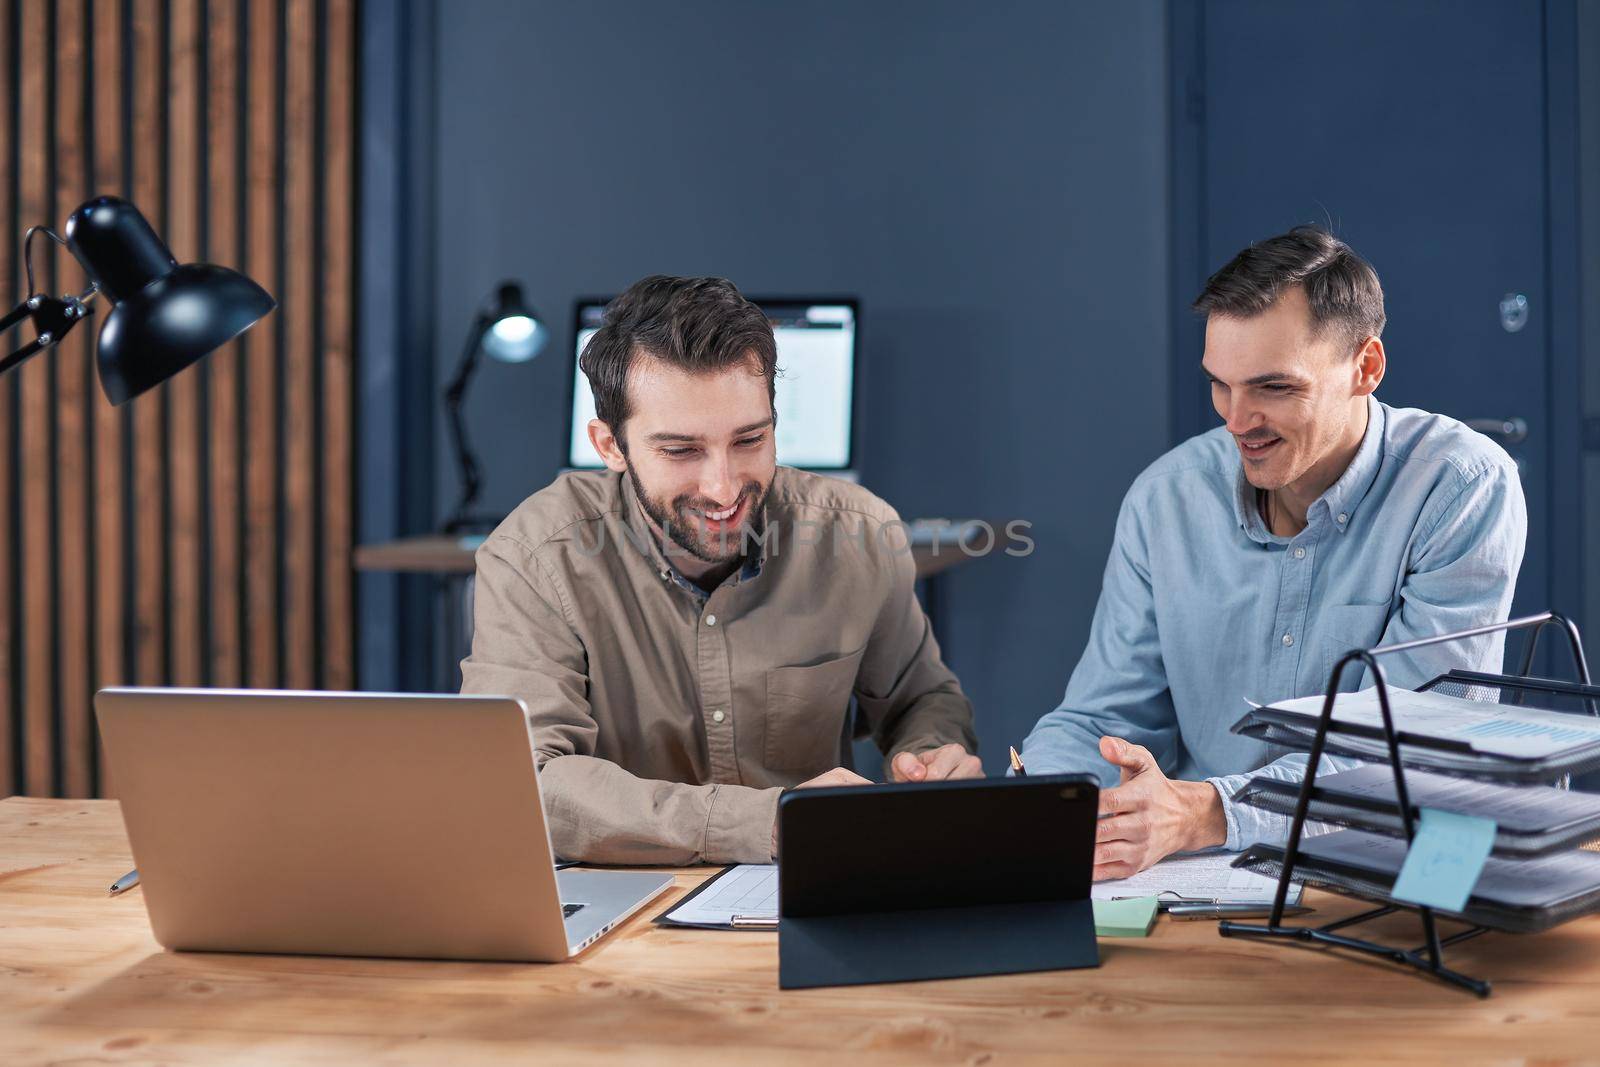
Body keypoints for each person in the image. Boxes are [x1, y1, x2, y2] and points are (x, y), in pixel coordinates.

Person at [1021, 225, 1526, 880]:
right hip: (1215, 873)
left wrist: (1205, 811)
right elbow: (1102, 716)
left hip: (1401, 863)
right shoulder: (1166, 498)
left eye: (1273, 388)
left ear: (1365, 368)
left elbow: (1411, 756)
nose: (1236, 420)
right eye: (1220, 385)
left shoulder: (1458, 485)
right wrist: (1038, 805)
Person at [462, 275, 979, 865]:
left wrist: (930, 753)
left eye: (749, 440)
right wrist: (768, 823)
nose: (723, 487)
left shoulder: (859, 532)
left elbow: (922, 700)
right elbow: (524, 783)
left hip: (811, 892)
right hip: (621, 911)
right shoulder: (532, 557)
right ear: (610, 445)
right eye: (681, 451)